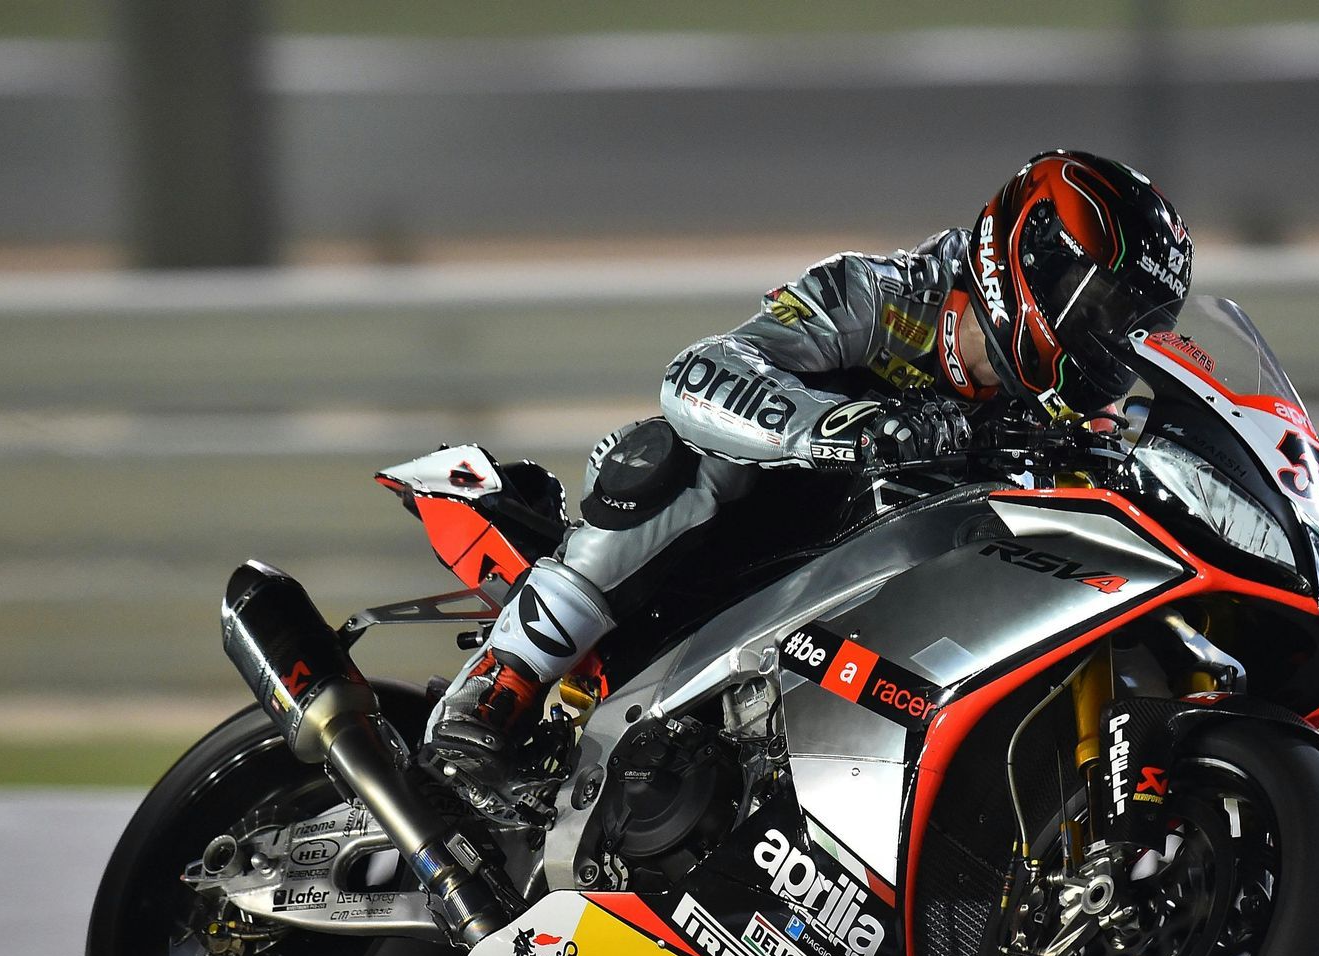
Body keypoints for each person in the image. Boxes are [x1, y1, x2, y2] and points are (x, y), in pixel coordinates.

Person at [422, 149, 1194, 788]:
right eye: (1097, 308)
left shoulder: (1070, 417)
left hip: (892, 612)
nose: (1110, 340)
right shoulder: (883, 296)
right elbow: (698, 374)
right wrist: (846, 428)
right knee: (670, 455)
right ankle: (503, 680)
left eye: (1131, 325)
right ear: (1029, 255)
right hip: (746, 557)